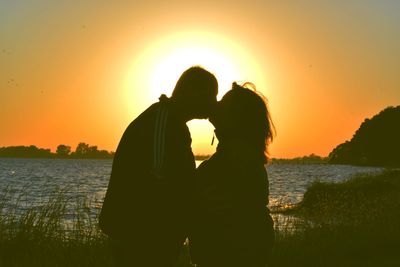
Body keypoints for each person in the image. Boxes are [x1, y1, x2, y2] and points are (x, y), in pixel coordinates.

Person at [99, 66, 218, 267]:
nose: (214, 102)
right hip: (139, 238)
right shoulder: (161, 123)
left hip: (149, 236)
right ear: (192, 91)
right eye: (211, 95)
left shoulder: (173, 123)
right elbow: (158, 183)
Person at [189, 82, 275, 267]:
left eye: (223, 103)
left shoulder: (235, 157)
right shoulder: (241, 154)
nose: (216, 105)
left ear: (236, 117)